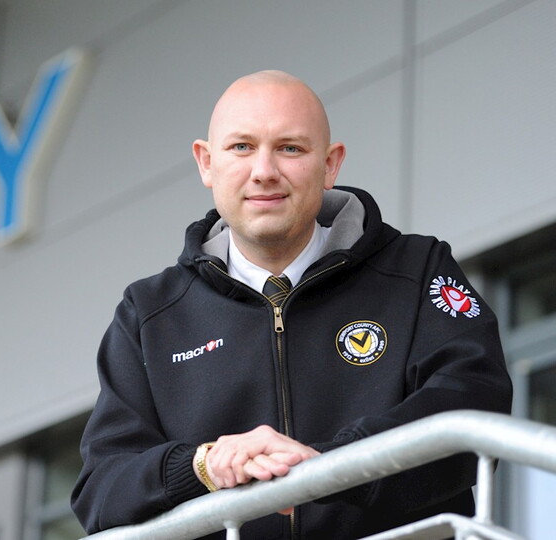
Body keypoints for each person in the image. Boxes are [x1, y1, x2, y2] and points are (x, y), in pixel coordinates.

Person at [70, 71, 513, 539]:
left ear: (330, 164)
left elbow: (473, 399)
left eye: (290, 148)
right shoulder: (150, 314)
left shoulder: (415, 269)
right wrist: (204, 466)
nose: (264, 171)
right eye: (242, 147)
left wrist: (332, 467)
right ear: (206, 163)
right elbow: (102, 490)